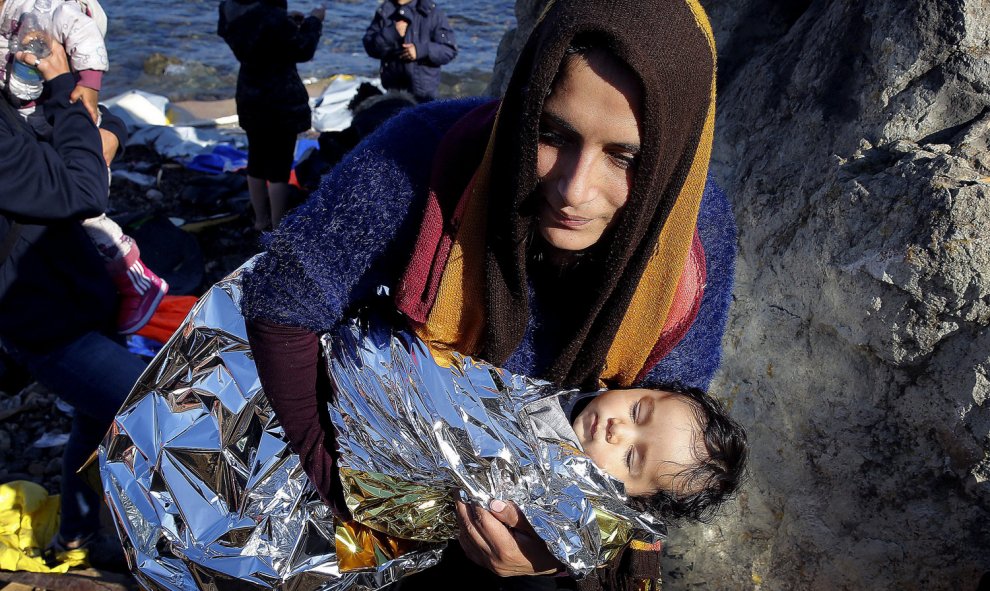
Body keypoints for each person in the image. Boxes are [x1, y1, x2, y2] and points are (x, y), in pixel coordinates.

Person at [242, 0, 732, 588]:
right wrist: (340, 485)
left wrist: (560, 547)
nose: (575, 190)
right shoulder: (425, 156)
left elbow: (666, 449)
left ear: (670, 155)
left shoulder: (690, 244)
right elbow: (281, 301)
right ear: (525, 103)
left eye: (625, 156)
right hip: (390, 476)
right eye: (552, 133)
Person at [0, 37, 143, 570]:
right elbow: (84, 190)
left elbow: (67, 137)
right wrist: (64, 86)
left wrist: (109, 132)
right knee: (146, 409)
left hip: (76, 295)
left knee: (91, 418)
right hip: (44, 320)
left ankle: (76, 537)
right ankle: (178, 546)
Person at [0, 0, 168, 334]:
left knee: (91, 217)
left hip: (52, 302)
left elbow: (84, 44)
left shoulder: (47, 9)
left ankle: (133, 274)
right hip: (36, 304)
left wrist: (86, 92)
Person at [217, 0, 324, 231]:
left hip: (249, 93)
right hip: (279, 99)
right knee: (279, 167)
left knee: (256, 160)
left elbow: (252, 31)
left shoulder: (229, 7)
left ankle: (260, 220)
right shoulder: (271, 15)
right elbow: (303, 49)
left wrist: (286, 22)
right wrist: (314, 21)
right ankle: (278, 225)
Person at [362, 0, 456, 102]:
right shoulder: (385, 11)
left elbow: (449, 50)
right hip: (393, 91)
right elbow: (370, 47)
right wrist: (391, 33)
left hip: (424, 94)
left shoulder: (432, 12)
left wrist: (421, 50)